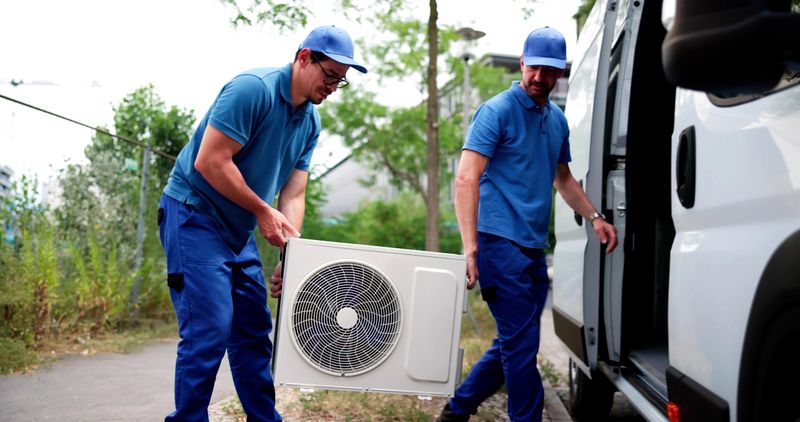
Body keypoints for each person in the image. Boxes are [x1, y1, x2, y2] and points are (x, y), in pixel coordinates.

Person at [156, 25, 367, 421]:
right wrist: (261, 211)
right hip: (193, 213)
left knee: (254, 331)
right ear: (305, 57)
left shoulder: (309, 122)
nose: (334, 87)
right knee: (211, 329)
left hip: (238, 228)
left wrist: (293, 253)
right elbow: (211, 161)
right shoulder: (253, 89)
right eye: (330, 76)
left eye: (341, 81)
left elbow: (293, 194)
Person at [437, 27, 618, 422]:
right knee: (522, 347)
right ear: (522, 63)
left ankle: (458, 409)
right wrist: (471, 249)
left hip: (532, 245)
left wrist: (596, 218)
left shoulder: (557, 121)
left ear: (560, 74)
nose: (540, 78)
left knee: (512, 343)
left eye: (550, 71)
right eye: (534, 68)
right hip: (497, 239)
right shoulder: (497, 111)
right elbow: (466, 178)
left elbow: (564, 179)